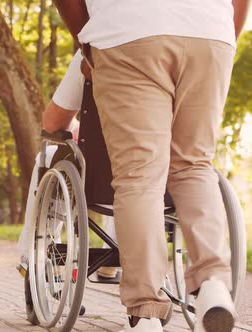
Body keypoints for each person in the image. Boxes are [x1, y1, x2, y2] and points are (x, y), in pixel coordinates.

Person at [55, 0, 250, 331]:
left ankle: (146, 313)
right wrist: (223, 35)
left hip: (126, 31)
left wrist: (87, 42)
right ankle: (213, 283)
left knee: (139, 178)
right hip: (210, 30)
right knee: (195, 165)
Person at [18, 49, 119, 280]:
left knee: (48, 154)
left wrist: (76, 128)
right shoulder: (188, 45)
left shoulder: (95, 47)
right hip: (159, 170)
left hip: (98, 170)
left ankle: (32, 255)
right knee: (137, 167)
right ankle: (117, 256)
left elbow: (52, 123)